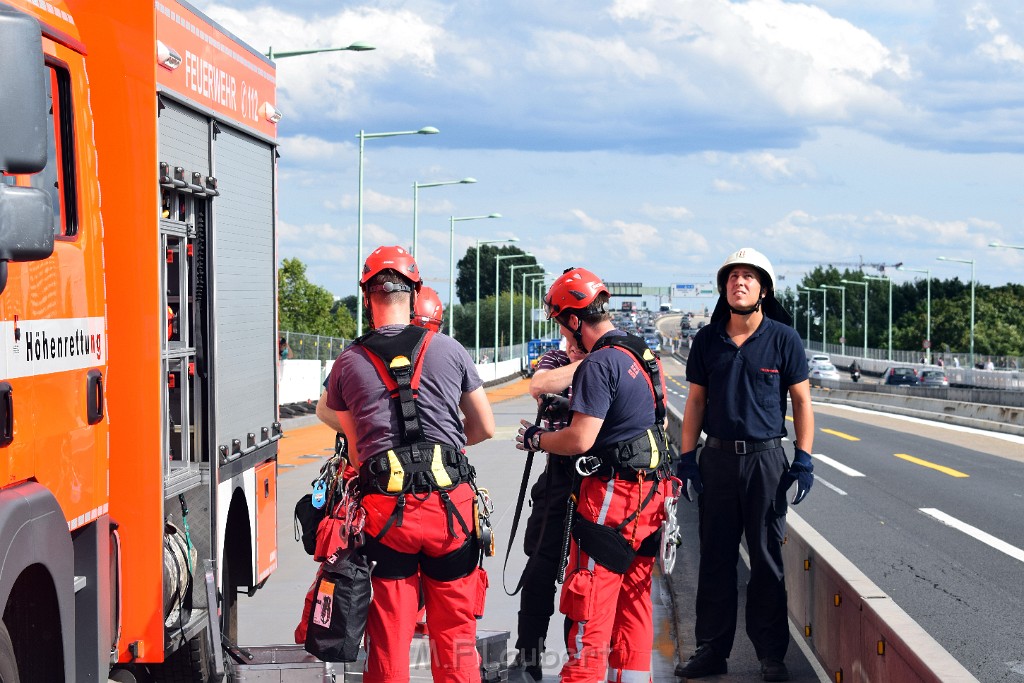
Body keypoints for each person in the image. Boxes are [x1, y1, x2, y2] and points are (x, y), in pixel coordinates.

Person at [317, 245, 495, 683]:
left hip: (385, 518)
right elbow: (485, 427)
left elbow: (358, 454)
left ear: (366, 298)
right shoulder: (449, 350)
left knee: (389, 642)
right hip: (450, 513)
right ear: (415, 295)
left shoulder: (348, 362)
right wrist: (447, 448)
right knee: (455, 639)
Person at [515, 267, 672, 683]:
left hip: (609, 498)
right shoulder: (642, 353)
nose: (565, 337)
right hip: (649, 498)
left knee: (588, 607)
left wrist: (536, 439)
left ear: (573, 318)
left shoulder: (600, 364)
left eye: (564, 326)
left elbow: (580, 439)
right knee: (634, 608)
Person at [674, 248, 814, 682]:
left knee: (767, 560)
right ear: (724, 288)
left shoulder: (783, 339)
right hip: (715, 460)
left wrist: (804, 458)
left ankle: (771, 655)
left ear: (763, 289)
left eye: (748, 277)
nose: (739, 282)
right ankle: (711, 651)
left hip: (766, 461)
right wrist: (686, 458)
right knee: (715, 559)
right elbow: (696, 400)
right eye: (732, 276)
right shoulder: (707, 340)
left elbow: (802, 401)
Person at [509, 329, 587, 681]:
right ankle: (529, 658)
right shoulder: (556, 360)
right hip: (556, 475)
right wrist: (587, 361)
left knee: (582, 577)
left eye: (578, 340)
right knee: (539, 568)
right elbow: (540, 385)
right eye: (568, 339)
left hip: (595, 478)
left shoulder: (610, 361)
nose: (571, 346)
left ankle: (580, 660)